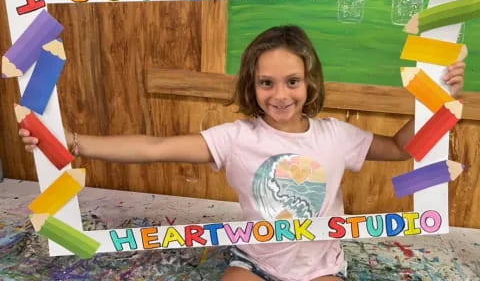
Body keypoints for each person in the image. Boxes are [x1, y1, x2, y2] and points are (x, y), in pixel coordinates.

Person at [19, 25, 466, 281]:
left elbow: (400, 147)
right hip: (255, 260)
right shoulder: (236, 137)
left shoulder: (335, 135)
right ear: (251, 86)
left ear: (309, 82)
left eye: (292, 80)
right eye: (266, 82)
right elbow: (155, 147)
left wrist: (435, 98)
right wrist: (74, 141)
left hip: (319, 266)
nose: (280, 94)